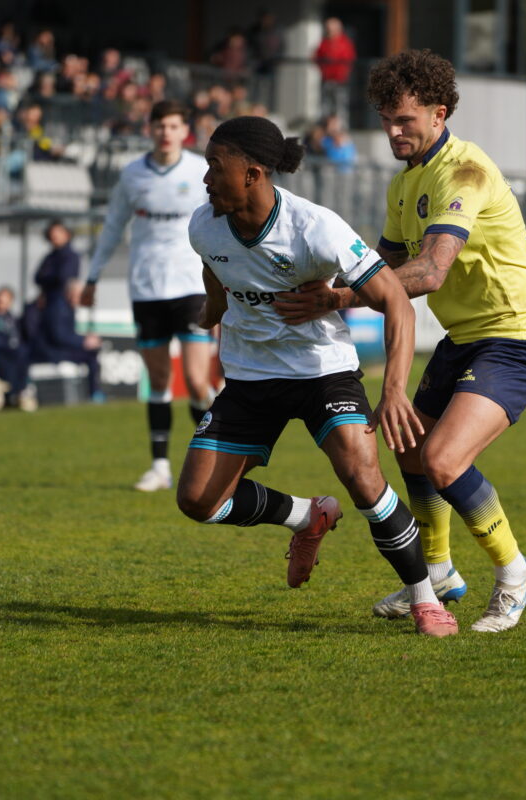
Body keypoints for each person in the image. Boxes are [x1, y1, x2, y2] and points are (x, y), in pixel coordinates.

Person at [273, 50, 526, 634]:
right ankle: (439, 573)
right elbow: (383, 270)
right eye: (385, 119)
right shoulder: (405, 184)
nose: (393, 131)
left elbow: (428, 274)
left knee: (444, 460)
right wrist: (329, 285)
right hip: (464, 340)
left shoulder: (464, 172)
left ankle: (515, 572)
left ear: (439, 113)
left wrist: (337, 298)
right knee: (407, 448)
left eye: (405, 120)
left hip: (515, 339)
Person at [178, 115, 457, 637]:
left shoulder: (314, 228)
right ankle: (307, 517)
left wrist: (392, 390)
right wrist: (210, 315)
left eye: (216, 166)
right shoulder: (203, 225)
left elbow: (396, 303)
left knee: (362, 475)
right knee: (198, 502)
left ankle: (425, 599)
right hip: (250, 377)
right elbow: (215, 274)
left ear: (253, 173)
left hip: (321, 370)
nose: (206, 178)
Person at [83, 100, 214, 492]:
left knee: (194, 380)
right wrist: (92, 276)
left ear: (183, 131)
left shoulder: (199, 171)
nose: (165, 132)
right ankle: (160, 466)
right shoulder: (132, 175)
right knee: (157, 379)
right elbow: (111, 227)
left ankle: (220, 453)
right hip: (146, 288)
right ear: (150, 130)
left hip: (192, 286)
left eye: (173, 125)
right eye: (159, 126)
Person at [313, 17, 356, 122]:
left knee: (340, 106)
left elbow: (349, 59)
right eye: (327, 29)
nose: (329, 31)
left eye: (331, 29)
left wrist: (342, 73)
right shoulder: (325, 42)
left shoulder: (344, 43)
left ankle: (340, 128)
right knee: (325, 106)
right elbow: (317, 56)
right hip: (327, 79)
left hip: (340, 81)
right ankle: (325, 126)